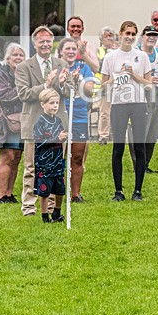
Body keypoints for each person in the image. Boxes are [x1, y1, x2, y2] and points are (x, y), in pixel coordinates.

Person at [16, 26, 69, 217]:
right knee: (32, 167)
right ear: (34, 44)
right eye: (41, 41)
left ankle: (52, 206)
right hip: (33, 124)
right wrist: (46, 85)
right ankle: (29, 206)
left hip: (57, 125)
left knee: (55, 167)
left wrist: (63, 83)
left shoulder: (61, 63)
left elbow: (69, 93)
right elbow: (23, 94)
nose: (45, 45)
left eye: (48, 41)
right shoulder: (24, 67)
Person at [101, 21, 152, 202]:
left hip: (138, 103)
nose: (130, 37)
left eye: (133, 34)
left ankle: (137, 190)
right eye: (127, 33)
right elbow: (103, 85)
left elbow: (149, 83)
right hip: (119, 105)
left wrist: (134, 76)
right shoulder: (110, 57)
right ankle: (118, 190)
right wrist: (117, 77)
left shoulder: (142, 56)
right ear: (121, 33)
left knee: (139, 147)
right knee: (118, 148)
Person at [58, 38, 95, 202]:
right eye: (67, 49)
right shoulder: (56, 67)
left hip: (79, 116)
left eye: (74, 49)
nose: (71, 52)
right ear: (61, 52)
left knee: (77, 156)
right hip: (59, 116)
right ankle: (58, 190)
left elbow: (90, 90)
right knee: (58, 155)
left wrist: (79, 79)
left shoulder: (84, 68)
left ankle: (76, 193)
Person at [0, 42, 26, 203]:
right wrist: (23, 88)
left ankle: (9, 193)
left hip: (22, 120)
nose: (18, 58)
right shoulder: (0, 74)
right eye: (15, 55)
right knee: (7, 156)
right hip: (6, 121)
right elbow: (5, 97)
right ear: (8, 58)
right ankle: (0, 195)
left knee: (17, 157)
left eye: (21, 55)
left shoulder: (24, 73)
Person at [137, 25, 158, 174]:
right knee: (142, 131)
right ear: (143, 37)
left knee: (153, 131)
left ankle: (146, 164)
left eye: (154, 35)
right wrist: (148, 80)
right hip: (141, 95)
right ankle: (138, 164)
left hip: (157, 94)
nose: (152, 37)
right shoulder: (137, 53)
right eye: (148, 35)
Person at [34, 88, 68, 223]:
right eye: (51, 103)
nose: (55, 106)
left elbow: (59, 136)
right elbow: (39, 142)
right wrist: (56, 138)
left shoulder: (58, 120)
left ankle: (57, 212)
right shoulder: (40, 122)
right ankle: (44, 216)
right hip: (45, 163)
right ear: (43, 104)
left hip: (58, 160)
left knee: (60, 189)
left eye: (57, 103)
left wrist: (64, 137)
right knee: (45, 191)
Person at [95, 27, 117, 144]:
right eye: (106, 36)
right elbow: (98, 65)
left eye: (111, 36)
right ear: (101, 39)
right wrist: (109, 53)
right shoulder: (98, 51)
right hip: (104, 86)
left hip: (118, 85)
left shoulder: (119, 50)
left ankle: (118, 135)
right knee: (105, 112)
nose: (109, 38)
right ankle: (103, 136)